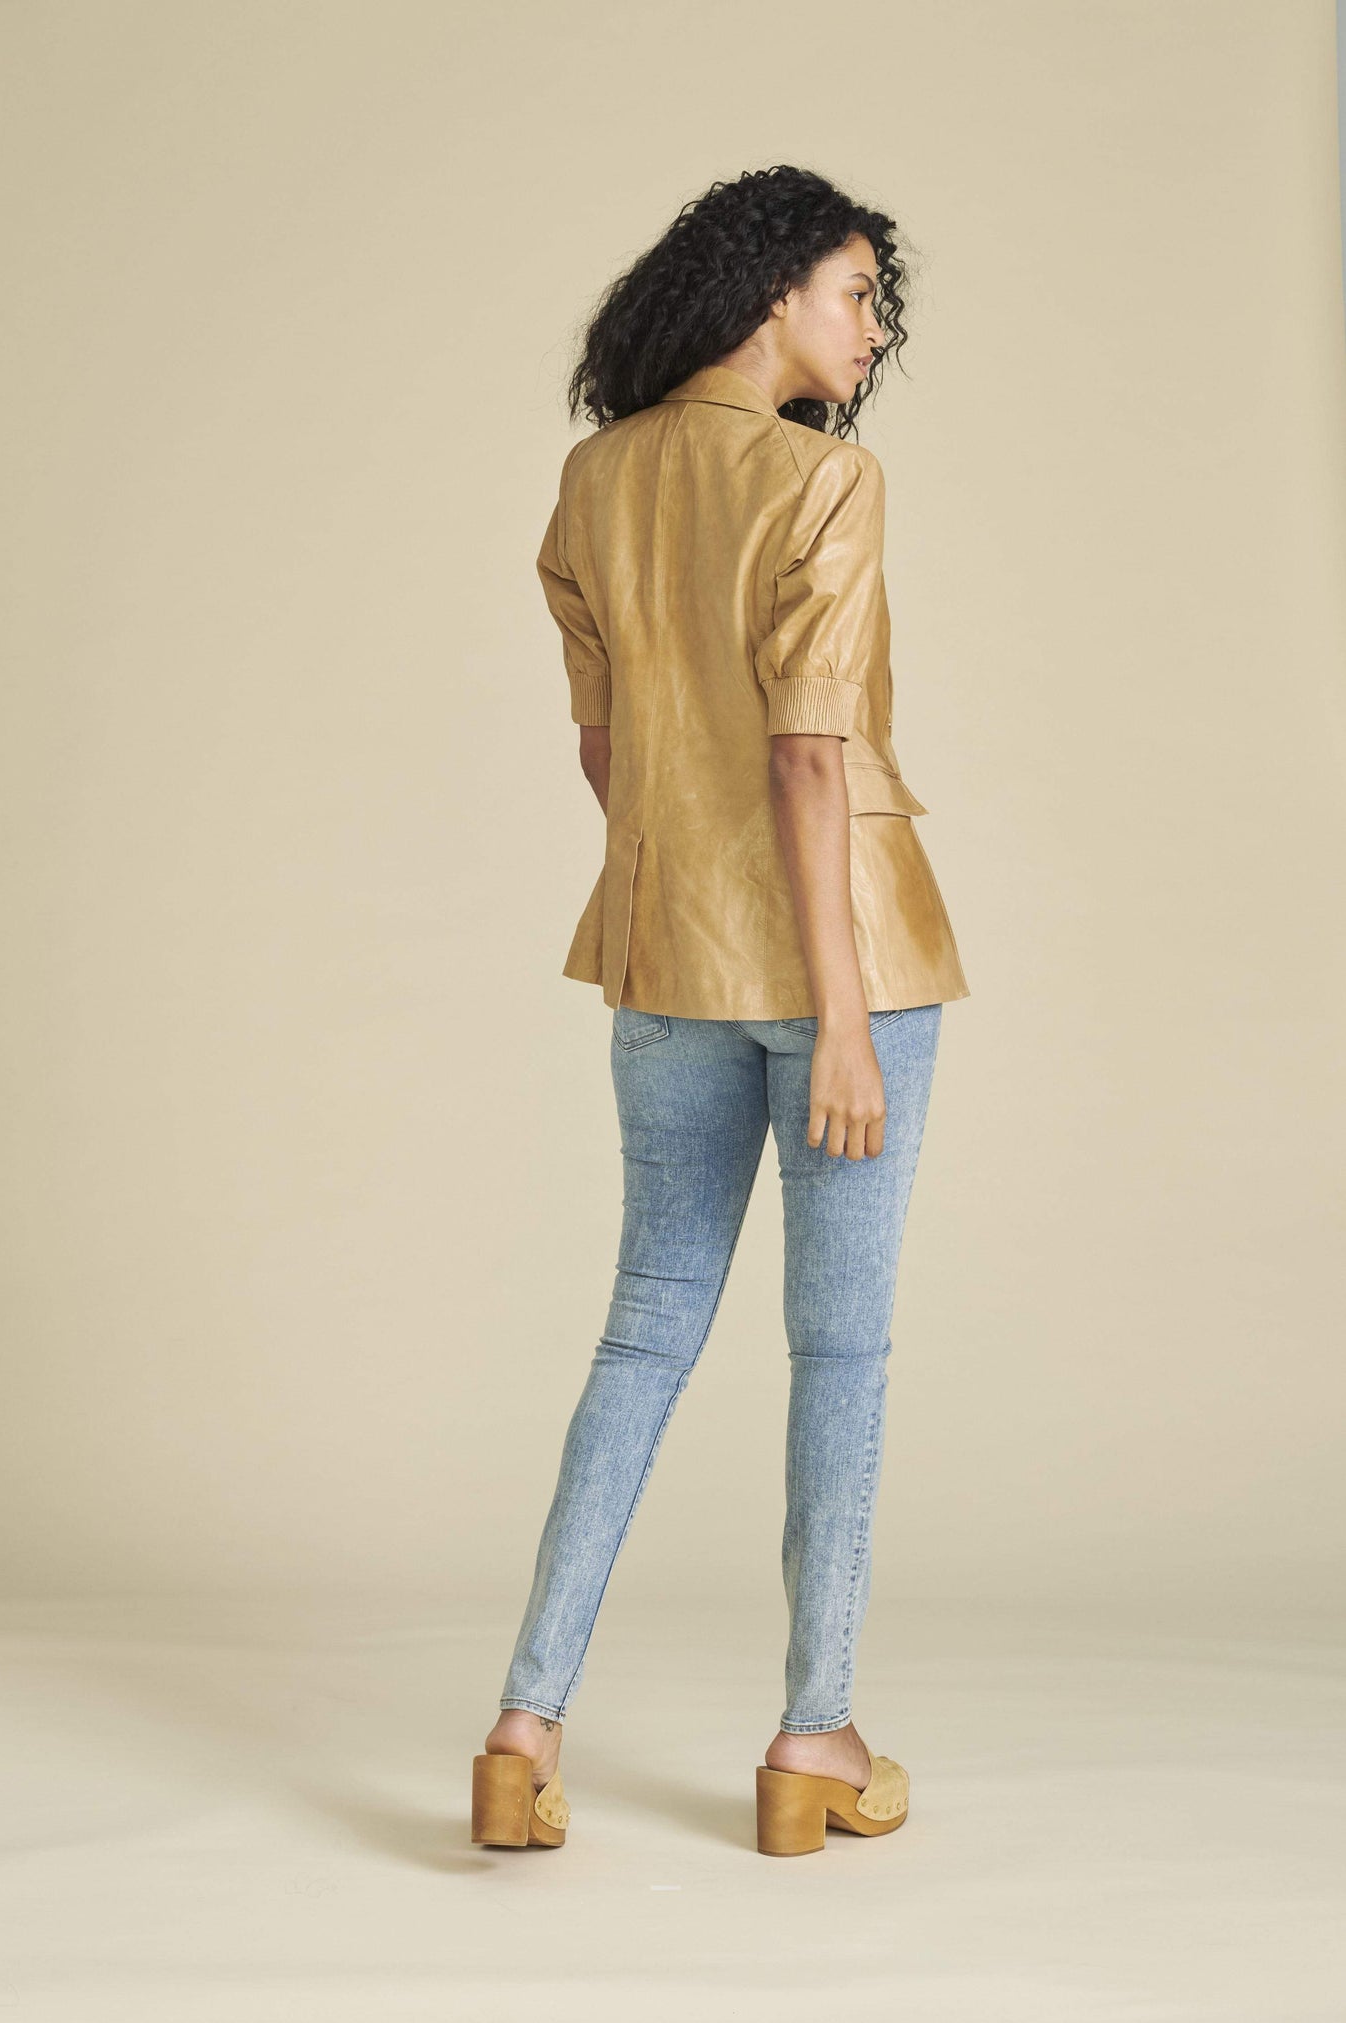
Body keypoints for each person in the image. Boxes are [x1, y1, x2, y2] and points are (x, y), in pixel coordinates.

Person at [470, 165, 970, 1858]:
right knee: (840, 1349)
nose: (871, 327)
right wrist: (840, 1017)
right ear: (771, 293)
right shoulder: (825, 480)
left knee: (641, 1332)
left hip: (665, 961)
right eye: (853, 292)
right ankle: (813, 1736)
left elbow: (607, 749)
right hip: (846, 970)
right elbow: (810, 756)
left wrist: (684, 897)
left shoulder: (597, 477)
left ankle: (522, 1730)